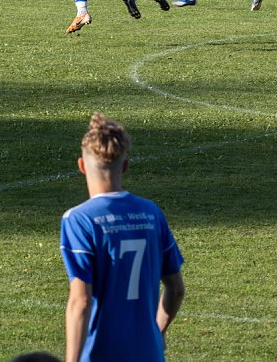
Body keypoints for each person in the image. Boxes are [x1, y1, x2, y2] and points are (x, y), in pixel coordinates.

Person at [60, 112, 185, 362]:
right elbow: (176, 288)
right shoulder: (151, 213)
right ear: (125, 166)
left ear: (82, 166)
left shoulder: (79, 220)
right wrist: (157, 331)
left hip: (101, 354)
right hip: (148, 354)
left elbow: (81, 302)